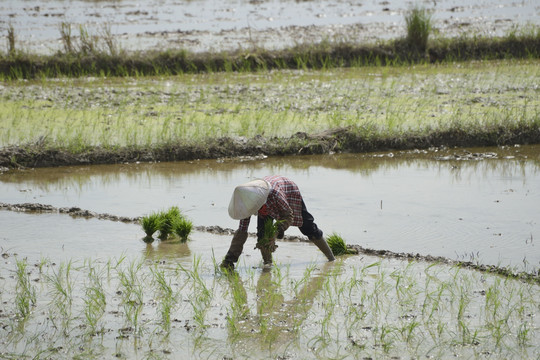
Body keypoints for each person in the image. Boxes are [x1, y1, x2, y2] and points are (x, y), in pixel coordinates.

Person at [221, 175, 335, 270]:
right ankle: (268, 264)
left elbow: (287, 215)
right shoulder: (246, 203)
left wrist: (275, 233)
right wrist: (229, 259)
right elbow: (242, 231)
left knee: (308, 227)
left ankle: (331, 258)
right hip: (268, 201)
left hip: (289, 191)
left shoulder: (275, 195)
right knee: (262, 235)